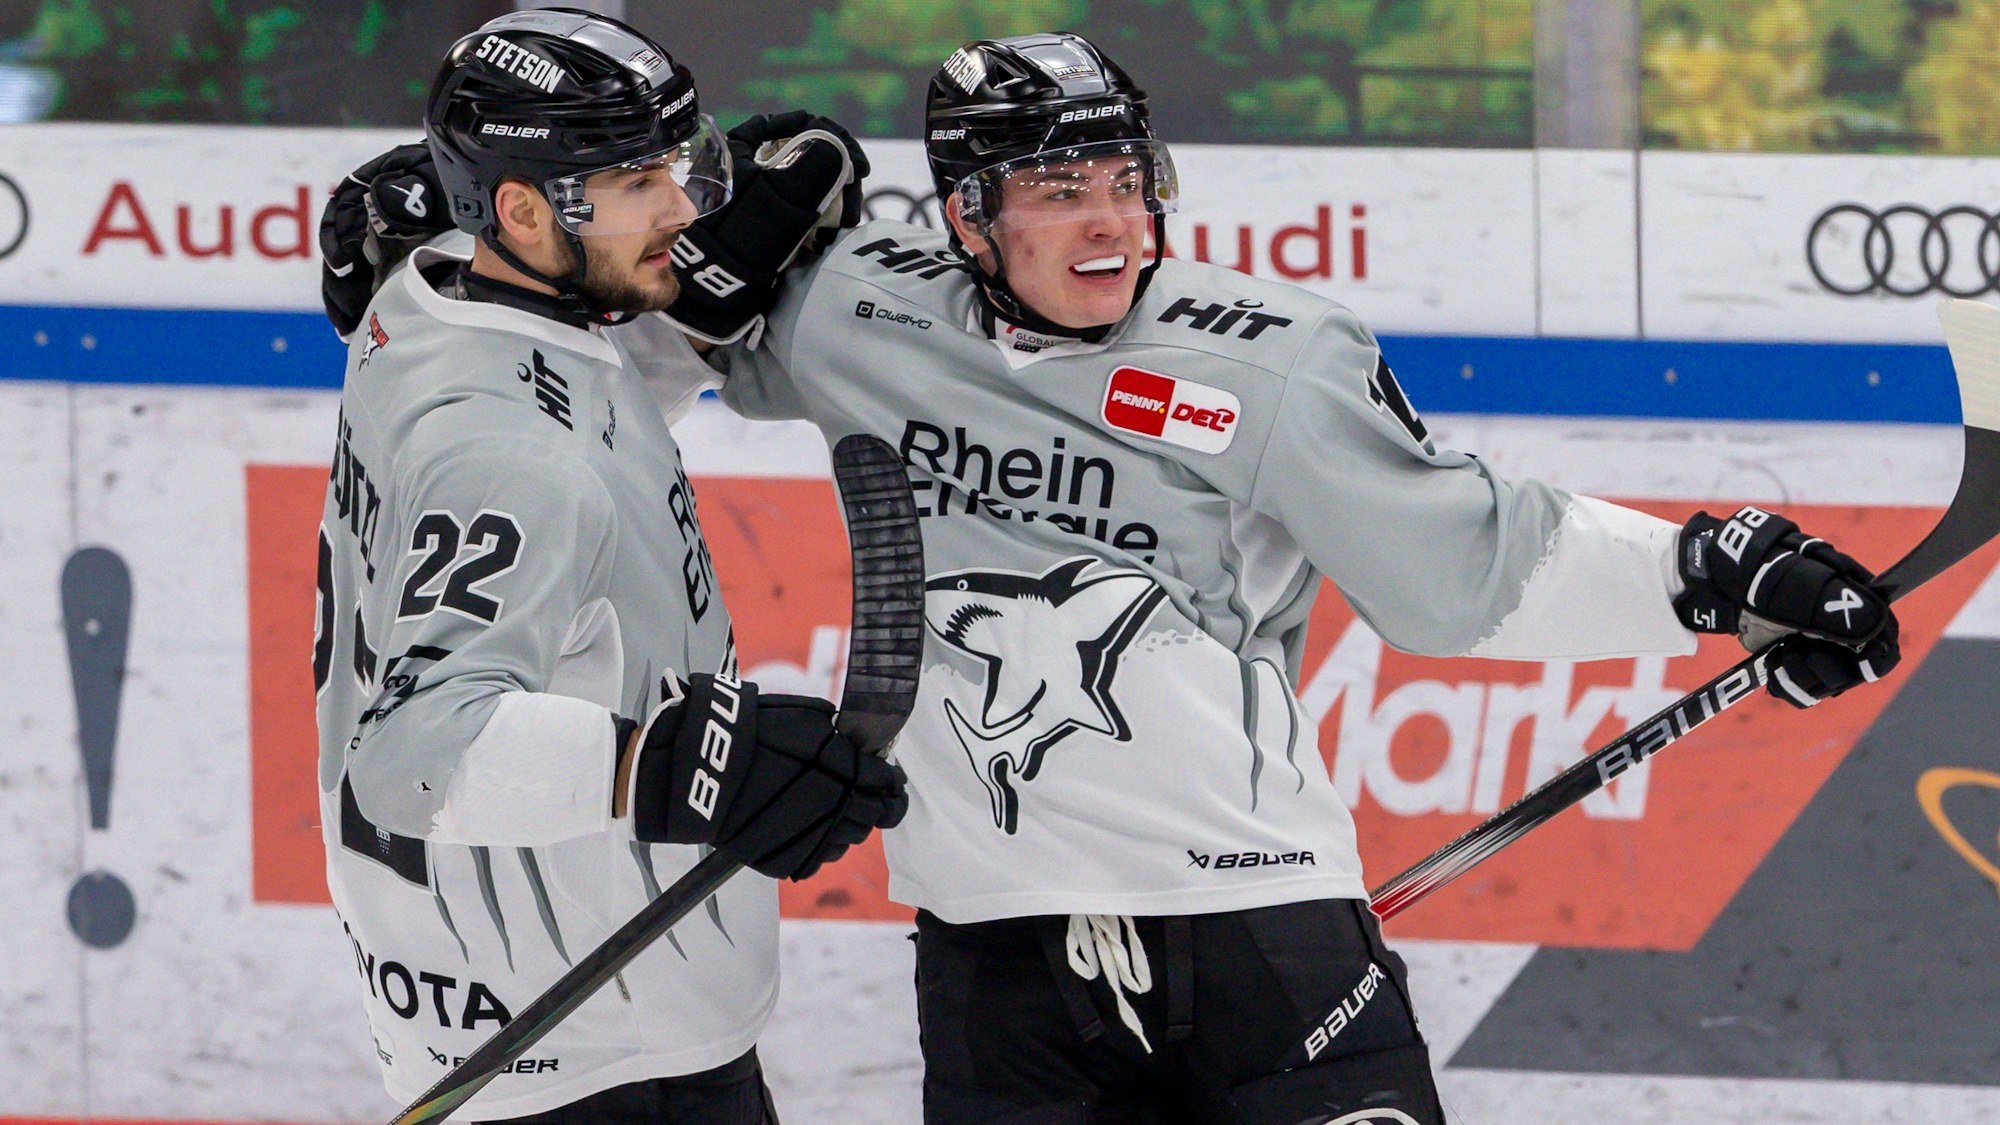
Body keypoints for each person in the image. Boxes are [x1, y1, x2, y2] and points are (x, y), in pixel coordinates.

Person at [323, 31, 1900, 1124]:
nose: (1108, 223)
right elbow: (605, 326)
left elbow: (1467, 563)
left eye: (1127, 181)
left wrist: (1721, 569)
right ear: (962, 215)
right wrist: (422, 240)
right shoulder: (854, 316)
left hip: (1260, 929)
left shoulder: (1265, 363)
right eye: (1056, 193)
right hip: (999, 955)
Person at [311, 10, 905, 1123]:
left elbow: (570, 386)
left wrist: (684, 319)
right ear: (525, 211)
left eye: (679, 165)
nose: (683, 208)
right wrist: (688, 764)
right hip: (585, 1043)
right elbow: (411, 756)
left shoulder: (432, 296)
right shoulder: (503, 452)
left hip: (525, 1011)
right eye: (639, 183)